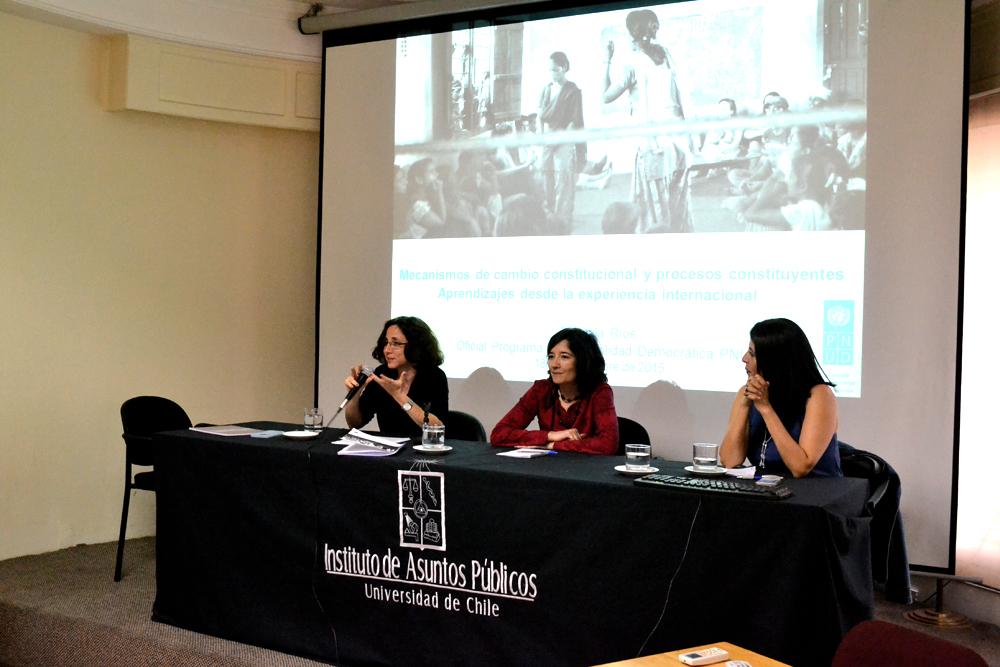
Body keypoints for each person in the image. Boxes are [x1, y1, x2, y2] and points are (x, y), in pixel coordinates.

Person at [602, 9, 692, 233]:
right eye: (655, 24)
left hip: (655, 142)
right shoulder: (667, 55)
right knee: (678, 199)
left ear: (633, 31)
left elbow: (606, 96)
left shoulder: (632, 63)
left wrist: (606, 60)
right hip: (677, 136)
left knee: (655, 202)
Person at [720, 318, 842, 477]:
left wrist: (765, 409)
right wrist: (744, 404)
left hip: (815, 494)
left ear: (774, 360)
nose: (744, 358)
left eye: (752, 354)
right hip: (767, 491)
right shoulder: (747, 393)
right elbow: (730, 462)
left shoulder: (819, 395)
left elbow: (800, 468)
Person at [491, 328, 618, 454]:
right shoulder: (541, 389)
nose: (554, 364)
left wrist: (552, 445)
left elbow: (608, 444)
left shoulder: (600, 393)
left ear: (583, 361)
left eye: (564, 357)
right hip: (546, 469)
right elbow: (499, 434)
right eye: (551, 356)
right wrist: (550, 436)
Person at [343, 316, 448, 438]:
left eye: (396, 343)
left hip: (421, 451)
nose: (387, 350)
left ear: (415, 346)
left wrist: (400, 396)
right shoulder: (382, 373)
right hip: (388, 452)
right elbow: (354, 423)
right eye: (386, 343)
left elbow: (437, 428)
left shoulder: (434, 376)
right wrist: (355, 394)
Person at [538, 51, 584, 233]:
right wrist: (541, 137)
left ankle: (563, 221)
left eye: (555, 70)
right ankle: (550, 220)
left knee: (563, 181)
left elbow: (575, 120)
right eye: (550, 70)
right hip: (547, 140)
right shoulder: (546, 89)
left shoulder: (573, 91)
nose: (553, 74)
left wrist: (562, 139)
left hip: (564, 138)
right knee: (547, 177)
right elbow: (540, 115)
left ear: (564, 68)